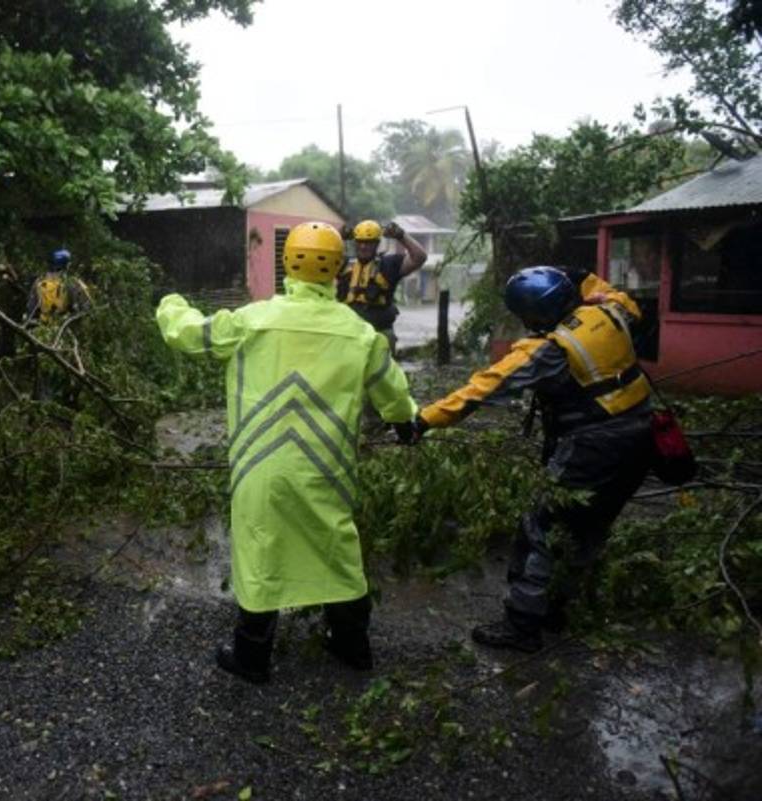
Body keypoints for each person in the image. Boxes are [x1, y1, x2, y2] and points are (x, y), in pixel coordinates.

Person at [156, 221, 418, 683]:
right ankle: (353, 648)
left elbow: (189, 334)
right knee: (337, 549)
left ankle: (252, 658)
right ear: (337, 268)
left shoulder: (253, 320)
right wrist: (407, 423)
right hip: (327, 469)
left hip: (262, 468)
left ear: (287, 264)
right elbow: (394, 396)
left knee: (261, 548)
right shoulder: (358, 334)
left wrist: (171, 303)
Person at [414, 265, 653, 653]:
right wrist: (583, 278)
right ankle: (557, 606)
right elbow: (613, 293)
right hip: (642, 439)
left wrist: (423, 420)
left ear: (532, 315)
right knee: (589, 526)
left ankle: (522, 624)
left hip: (592, 446)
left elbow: (480, 390)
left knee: (540, 525)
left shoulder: (548, 350)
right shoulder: (612, 310)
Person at [336, 220, 427, 352]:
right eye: (360, 242)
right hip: (349, 333)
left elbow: (420, 257)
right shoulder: (343, 264)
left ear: (377, 244)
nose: (363, 246)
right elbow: (319, 259)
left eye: (368, 243)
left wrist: (400, 235)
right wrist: (338, 236)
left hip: (379, 333)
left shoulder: (389, 264)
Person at [24, 248, 92, 326]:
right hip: (64, 327)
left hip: (41, 326)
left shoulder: (38, 282)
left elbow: (30, 308)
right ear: (66, 265)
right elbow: (87, 308)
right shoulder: (73, 283)